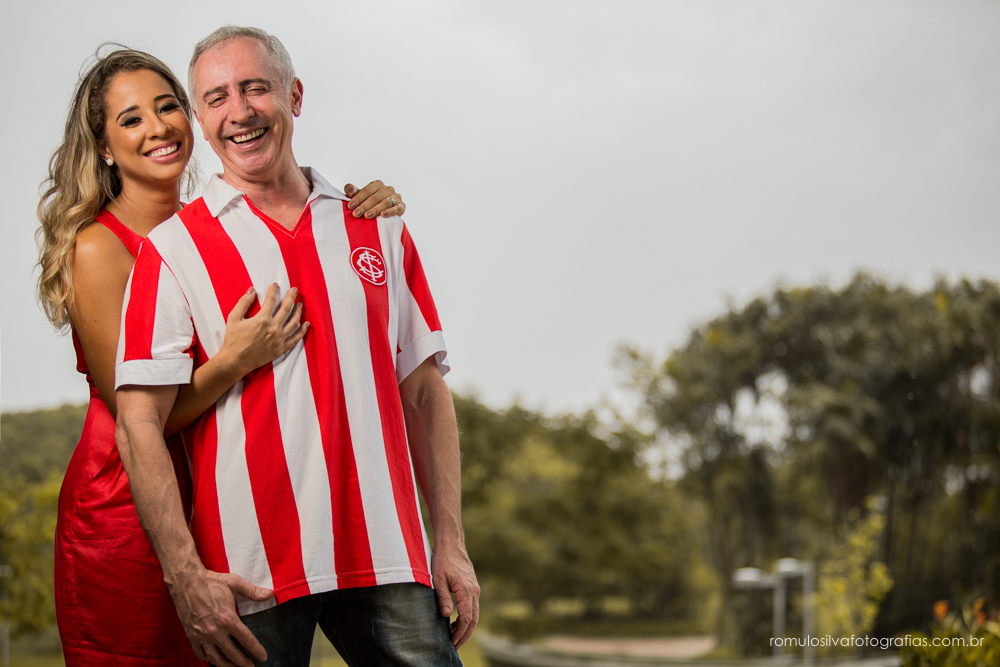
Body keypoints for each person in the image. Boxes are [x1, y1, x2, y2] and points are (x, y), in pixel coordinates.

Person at [114, 25, 479, 667]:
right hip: (251, 574)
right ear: (201, 118)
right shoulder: (172, 250)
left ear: (295, 96)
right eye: (218, 97)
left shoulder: (376, 224)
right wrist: (184, 575)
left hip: (389, 555)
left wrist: (450, 541)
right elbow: (139, 422)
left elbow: (423, 391)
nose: (240, 111)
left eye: (256, 88)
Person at [37, 45, 408, 667]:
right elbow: (145, 421)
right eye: (131, 120)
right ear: (103, 147)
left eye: (167, 107)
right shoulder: (100, 250)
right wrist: (235, 360)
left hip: (214, 495)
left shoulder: (207, 229)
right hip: (128, 505)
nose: (157, 128)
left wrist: (361, 209)